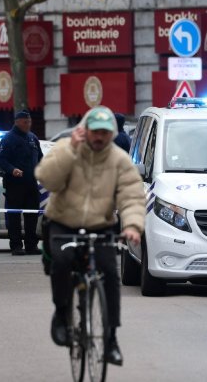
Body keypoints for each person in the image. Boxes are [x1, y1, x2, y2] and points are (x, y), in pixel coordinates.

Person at [36, 106, 144, 366]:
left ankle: (110, 339)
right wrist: (71, 150)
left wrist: (131, 225)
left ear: (112, 134)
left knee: (109, 273)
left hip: (100, 224)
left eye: (105, 133)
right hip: (63, 221)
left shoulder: (119, 159)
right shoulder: (66, 149)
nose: (99, 137)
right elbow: (46, 179)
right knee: (62, 262)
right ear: (85, 130)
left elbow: (131, 194)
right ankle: (62, 314)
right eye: (95, 131)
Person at [0, 111, 44, 256]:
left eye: (29, 122)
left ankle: (31, 245)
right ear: (17, 122)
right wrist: (12, 170)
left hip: (31, 184)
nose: (28, 124)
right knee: (14, 216)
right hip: (14, 184)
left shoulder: (32, 138)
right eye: (25, 122)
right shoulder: (8, 139)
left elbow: (41, 158)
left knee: (32, 216)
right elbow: (1, 160)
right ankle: (16, 245)